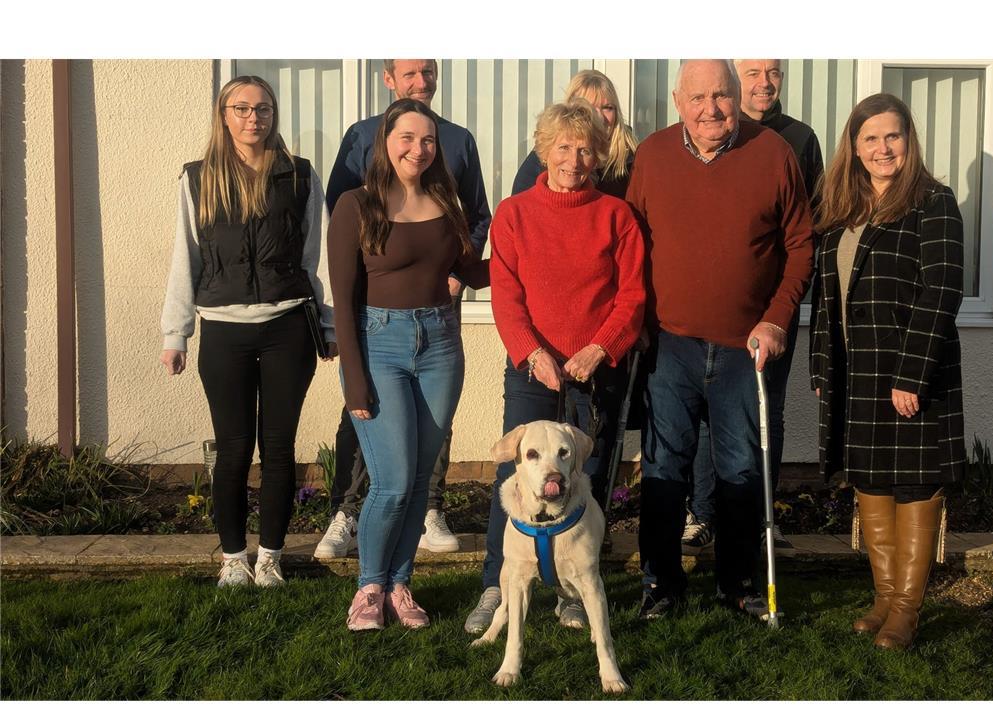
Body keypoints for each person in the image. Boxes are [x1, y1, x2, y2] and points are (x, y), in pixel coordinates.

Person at [625, 60, 814, 620]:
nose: (712, 109)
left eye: (723, 95)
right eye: (700, 97)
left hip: (744, 347)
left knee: (740, 471)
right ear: (678, 101)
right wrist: (632, 320)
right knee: (664, 469)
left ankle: (736, 584)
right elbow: (630, 242)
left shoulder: (774, 153)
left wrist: (777, 319)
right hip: (669, 345)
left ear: (738, 97)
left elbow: (801, 246)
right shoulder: (653, 155)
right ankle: (660, 585)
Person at [463, 99, 646, 634]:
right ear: (545, 150)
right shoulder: (515, 213)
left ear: (599, 155)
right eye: (563, 147)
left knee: (581, 478)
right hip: (531, 369)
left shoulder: (617, 216)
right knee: (516, 477)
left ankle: (572, 589)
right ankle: (497, 586)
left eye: (585, 148)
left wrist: (600, 349)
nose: (574, 159)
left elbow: (632, 297)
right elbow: (506, 295)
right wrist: (533, 353)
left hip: (595, 368)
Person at [160, 75, 335, 588]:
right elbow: (184, 257)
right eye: (242, 109)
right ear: (224, 115)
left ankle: (270, 557)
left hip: (288, 327)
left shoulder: (299, 176)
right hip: (223, 331)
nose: (253, 118)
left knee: (278, 447)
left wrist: (328, 326)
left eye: (263, 109)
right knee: (234, 448)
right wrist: (177, 334)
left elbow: (316, 256)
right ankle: (234, 557)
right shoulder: (197, 179)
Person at [316, 59, 492, 559]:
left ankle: (410, 558)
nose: (418, 149)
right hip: (381, 333)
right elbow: (347, 285)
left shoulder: (451, 170)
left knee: (422, 460)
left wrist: (504, 267)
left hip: (439, 331)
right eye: (407, 139)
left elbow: (469, 246)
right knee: (382, 458)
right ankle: (360, 550)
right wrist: (352, 375)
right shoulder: (358, 176)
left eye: (428, 141)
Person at [810, 92, 965, 649]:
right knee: (871, 482)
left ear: (909, 140)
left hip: (909, 374)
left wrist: (912, 375)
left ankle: (906, 608)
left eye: (892, 136)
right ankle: (882, 597)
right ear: (854, 145)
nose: (882, 148)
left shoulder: (933, 201)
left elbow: (941, 291)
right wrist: (823, 368)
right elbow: (828, 300)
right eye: (870, 138)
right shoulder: (843, 208)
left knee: (916, 485)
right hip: (856, 372)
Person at [682, 58, 827, 556]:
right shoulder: (701, 138)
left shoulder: (798, 141)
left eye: (775, 72)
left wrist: (785, 308)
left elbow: (807, 230)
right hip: (708, 320)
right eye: (753, 73)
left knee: (769, 417)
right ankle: (703, 515)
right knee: (705, 417)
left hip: (771, 315)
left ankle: (764, 520)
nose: (765, 83)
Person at [511, 69, 638, 199]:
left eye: (607, 108)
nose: (599, 117)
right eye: (590, 107)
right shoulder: (545, 159)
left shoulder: (632, 162)